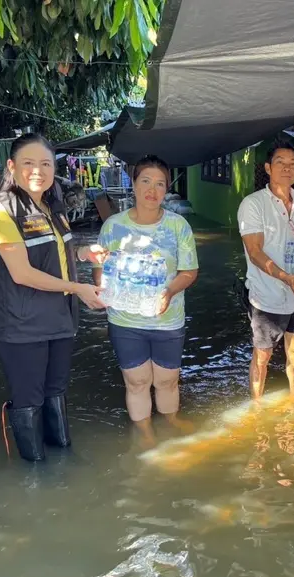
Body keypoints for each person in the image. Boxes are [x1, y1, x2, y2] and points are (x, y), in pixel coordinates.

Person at [0, 133, 106, 462]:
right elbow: (22, 273)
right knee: (29, 398)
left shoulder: (52, 206)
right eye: (28, 163)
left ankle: (63, 464)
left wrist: (84, 253)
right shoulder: (1, 210)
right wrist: (78, 288)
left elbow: (56, 255)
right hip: (23, 325)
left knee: (56, 390)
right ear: (12, 167)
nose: (38, 171)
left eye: (45, 164)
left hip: (60, 318)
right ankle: (35, 472)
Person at [93, 155, 198, 444]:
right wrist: (103, 289)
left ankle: (170, 420)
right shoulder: (113, 226)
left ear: (166, 189)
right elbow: (99, 266)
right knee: (137, 381)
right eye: (146, 181)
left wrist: (169, 292)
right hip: (125, 320)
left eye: (160, 184)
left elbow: (189, 271)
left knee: (167, 380)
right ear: (134, 184)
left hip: (168, 318)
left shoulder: (178, 226)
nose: (152, 189)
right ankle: (145, 432)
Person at [238, 141, 294, 401]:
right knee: (262, 357)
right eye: (280, 162)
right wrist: (285, 278)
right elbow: (255, 251)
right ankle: (257, 407)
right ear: (268, 168)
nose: (287, 168)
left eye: (293, 164)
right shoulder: (253, 204)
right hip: (266, 295)